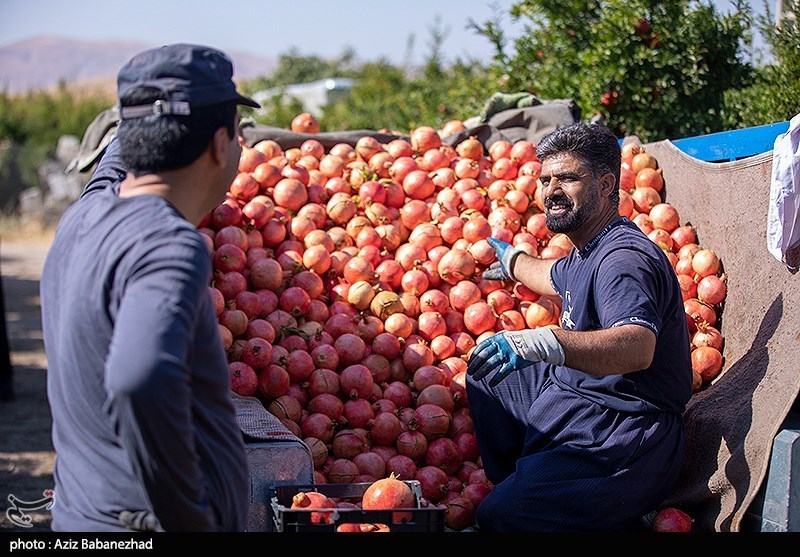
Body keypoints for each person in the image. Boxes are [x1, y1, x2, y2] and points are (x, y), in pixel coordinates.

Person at [40, 43, 260, 532]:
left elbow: (114, 168)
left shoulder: (82, 218)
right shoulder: (169, 244)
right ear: (220, 145)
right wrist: (188, 517)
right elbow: (139, 379)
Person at [466, 122, 693, 532]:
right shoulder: (588, 247)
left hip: (626, 430)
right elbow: (553, 275)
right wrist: (514, 262)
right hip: (581, 397)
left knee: (499, 517)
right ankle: (529, 485)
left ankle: (576, 506)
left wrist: (546, 341)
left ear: (606, 185)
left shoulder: (623, 260)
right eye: (546, 178)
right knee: (488, 372)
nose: (552, 189)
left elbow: (637, 347)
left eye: (568, 178)